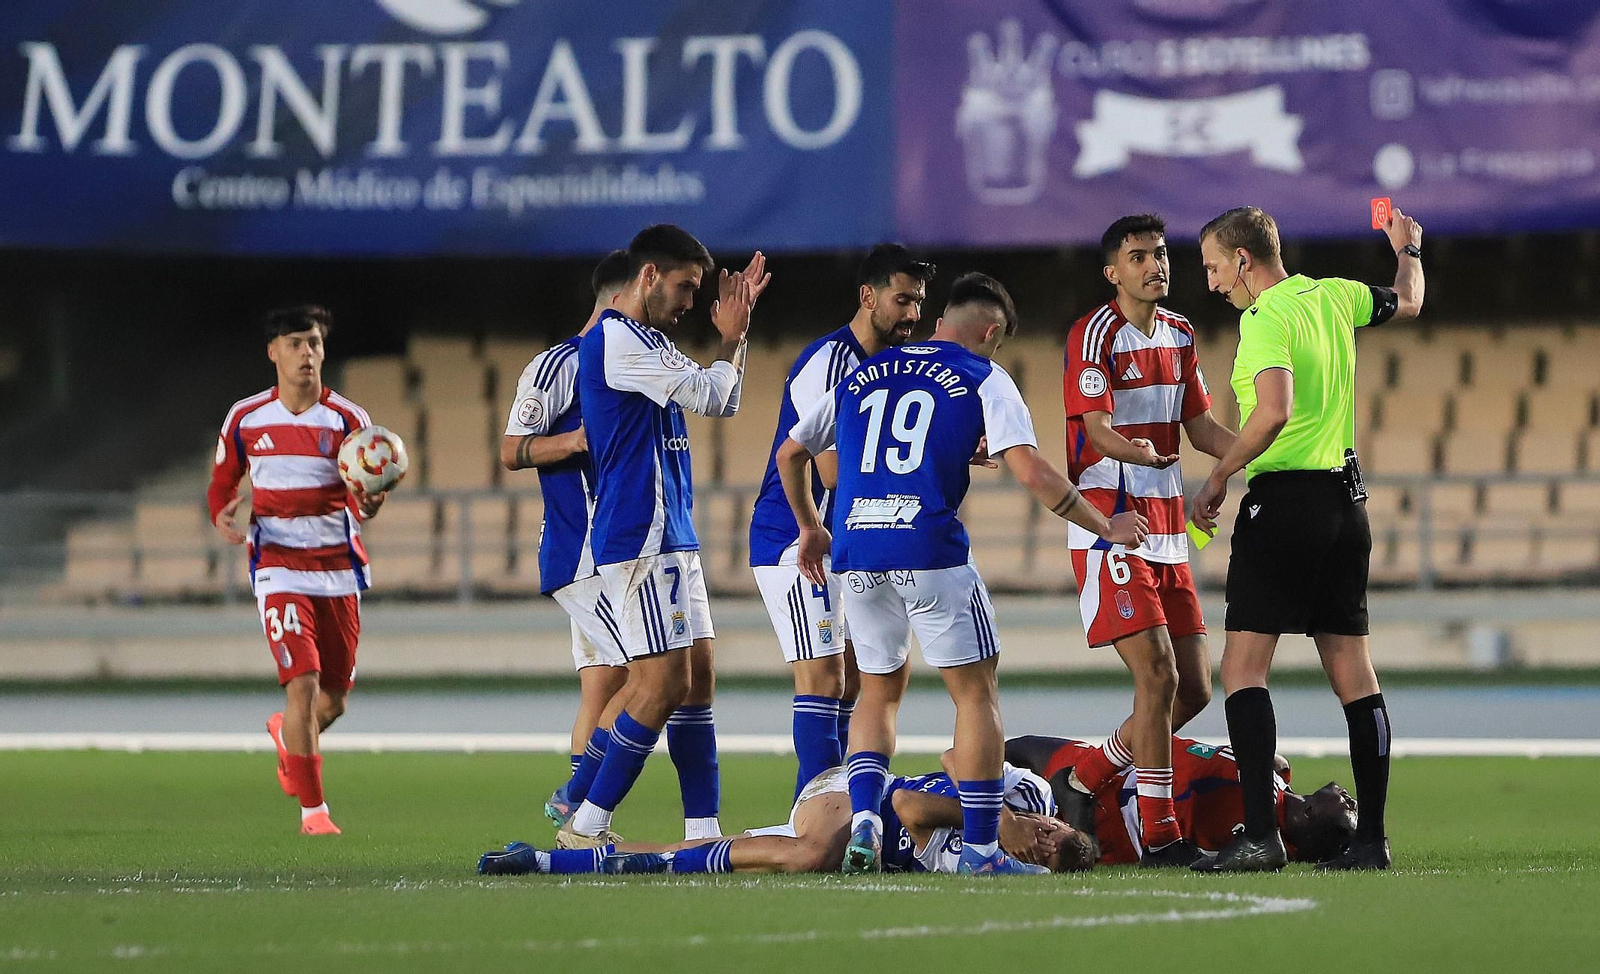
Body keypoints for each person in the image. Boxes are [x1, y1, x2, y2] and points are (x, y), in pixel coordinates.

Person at [777, 272, 1149, 876]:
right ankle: (980, 851)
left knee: (876, 690)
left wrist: (811, 527)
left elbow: (792, 453)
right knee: (975, 694)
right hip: (928, 549)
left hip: (857, 550)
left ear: (940, 320)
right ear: (992, 332)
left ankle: (866, 816)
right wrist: (1104, 526)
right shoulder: (983, 376)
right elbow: (1031, 472)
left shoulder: (864, 372)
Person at [1189, 205, 1424, 871]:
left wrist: (1218, 477)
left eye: (1213, 266)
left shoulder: (1264, 318)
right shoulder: (1335, 296)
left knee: (1241, 670)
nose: (1211, 283)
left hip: (1285, 504)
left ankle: (1260, 837)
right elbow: (1408, 301)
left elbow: (1274, 409)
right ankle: (1372, 841)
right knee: (1353, 672)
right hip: (1347, 507)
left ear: (1243, 259)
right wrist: (1406, 249)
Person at [559, 226, 770, 849]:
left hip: (673, 531)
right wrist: (732, 338)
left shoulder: (649, 340)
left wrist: (739, 339)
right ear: (648, 276)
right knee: (661, 683)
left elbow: (725, 401)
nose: (688, 303)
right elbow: (710, 394)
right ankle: (584, 819)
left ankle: (702, 829)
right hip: (640, 534)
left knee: (697, 675)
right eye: (683, 288)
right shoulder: (617, 341)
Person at [1060, 214, 1237, 866]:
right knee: (1157, 674)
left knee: (1193, 688)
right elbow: (1095, 428)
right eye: (1138, 257)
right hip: (1112, 529)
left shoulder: (1182, 333)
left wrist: (1261, 450)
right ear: (1114, 272)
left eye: (1159, 254)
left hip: (1167, 533)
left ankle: (1084, 777)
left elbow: (1202, 429)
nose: (1154, 265)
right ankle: (1161, 835)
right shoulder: (1094, 334)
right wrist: (1132, 449)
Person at [747, 244, 936, 799]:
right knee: (824, 679)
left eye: (919, 302)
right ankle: (817, 816)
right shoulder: (831, 361)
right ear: (867, 296)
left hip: (844, 543)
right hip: (796, 539)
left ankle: (841, 804)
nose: (911, 315)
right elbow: (830, 469)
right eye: (901, 300)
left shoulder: (895, 368)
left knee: (855, 678)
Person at [208, 305, 386, 836]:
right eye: (294, 343)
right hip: (278, 566)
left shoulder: (349, 421)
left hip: (337, 568)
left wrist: (370, 503)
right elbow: (222, 484)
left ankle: (287, 737)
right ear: (273, 352)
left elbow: (364, 493)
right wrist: (222, 511)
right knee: (302, 683)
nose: (306, 353)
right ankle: (315, 814)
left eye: (313, 342)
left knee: (332, 701)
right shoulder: (246, 418)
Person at [499, 251, 632, 826]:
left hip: (616, 550)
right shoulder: (559, 366)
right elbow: (511, 450)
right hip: (581, 553)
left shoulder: (629, 363)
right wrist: (579, 440)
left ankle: (577, 822)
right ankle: (576, 799)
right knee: (653, 672)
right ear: (619, 297)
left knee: (603, 687)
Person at [476, 763, 1094, 876]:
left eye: (1044, 849)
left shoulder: (1001, 867)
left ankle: (563, 858)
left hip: (864, 839)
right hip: (859, 794)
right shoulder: (1026, 795)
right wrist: (994, 815)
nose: (1041, 837)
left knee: (738, 851)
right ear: (1061, 820)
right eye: (1053, 831)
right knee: (807, 855)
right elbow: (942, 771)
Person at [1005, 734, 1358, 866]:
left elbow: (1173, 756)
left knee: (1001, 762)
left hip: (1106, 804)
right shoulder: (1275, 790)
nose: (1351, 800)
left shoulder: (1244, 817)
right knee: (1004, 757)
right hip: (1116, 777)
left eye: (1347, 814)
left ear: (1310, 815)